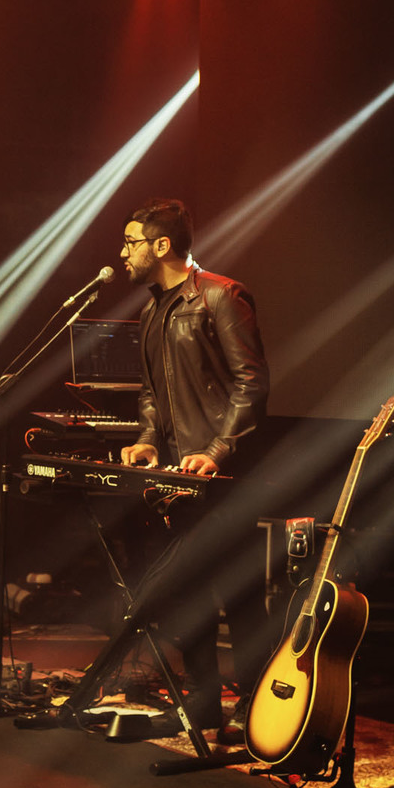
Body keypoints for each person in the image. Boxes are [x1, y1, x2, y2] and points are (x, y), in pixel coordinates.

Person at [119, 197, 269, 734]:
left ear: (161, 245)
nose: (122, 254)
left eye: (130, 242)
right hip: (177, 478)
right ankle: (204, 701)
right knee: (186, 594)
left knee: (238, 592)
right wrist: (147, 441)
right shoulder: (151, 312)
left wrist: (217, 450)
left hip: (226, 476)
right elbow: (151, 393)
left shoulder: (221, 296)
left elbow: (252, 384)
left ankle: (258, 705)